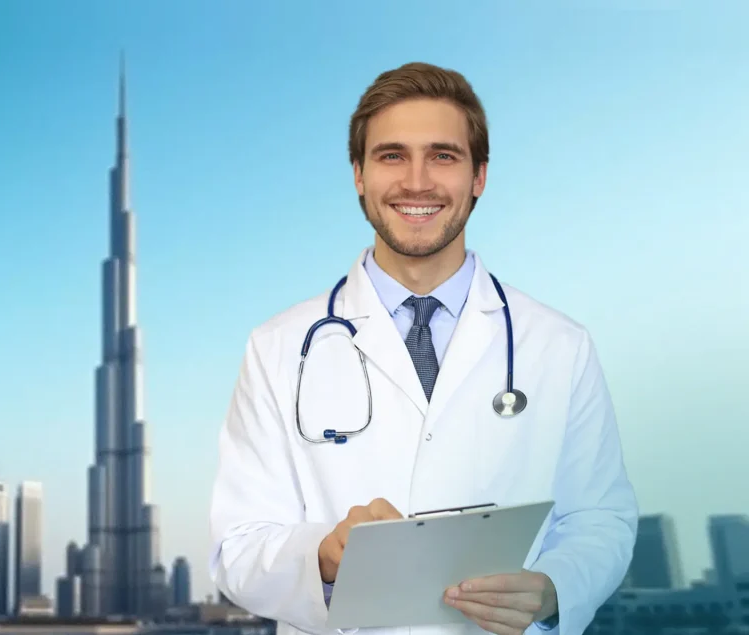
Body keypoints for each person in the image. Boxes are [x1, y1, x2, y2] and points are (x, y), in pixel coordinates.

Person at [207, 61, 638, 635]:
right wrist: (324, 557)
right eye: (391, 156)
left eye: (443, 155)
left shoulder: (560, 345)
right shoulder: (277, 348)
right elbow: (238, 548)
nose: (416, 182)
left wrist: (553, 589)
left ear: (479, 175)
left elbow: (601, 519)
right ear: (358, 174)